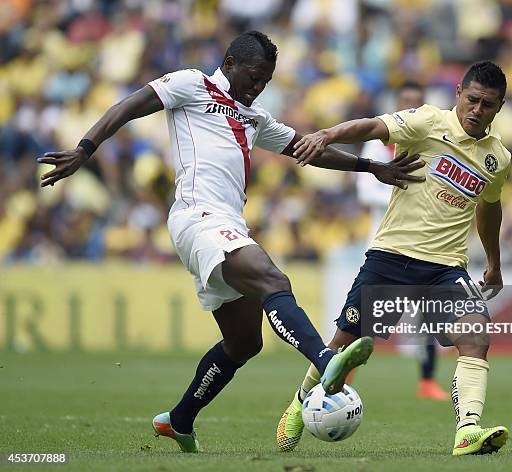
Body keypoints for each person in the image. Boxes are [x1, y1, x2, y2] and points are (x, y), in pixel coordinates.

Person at [37, 31, 425, 453]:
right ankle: (326, 362)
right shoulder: (191, 84)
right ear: (231, 62)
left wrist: (370, 166)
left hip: (228, 225)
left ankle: (180, 420)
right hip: (196, 218)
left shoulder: (254, 117)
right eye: (254, 76)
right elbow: (129, 106)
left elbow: (304, 148)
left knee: (245, 342)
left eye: (266, 81)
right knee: (272, 280)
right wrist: (84, 149)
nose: (258, 87)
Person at [277, 61, 511, 456]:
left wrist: (494, 261)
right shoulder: (427, 122)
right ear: (459, 92)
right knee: (342, 344)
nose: (477, 110)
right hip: (390, 257)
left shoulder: (498, 158)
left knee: (475, 337)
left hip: (445, 268)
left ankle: (467, 429)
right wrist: (327, 134)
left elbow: (489, 206)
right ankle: (298, 406)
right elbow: (372, 126)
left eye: (488, 105)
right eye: (472, 100)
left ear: (499, 107)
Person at [355, 80, 450, 401]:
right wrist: (404, 188)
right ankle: (344, 374)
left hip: (422, 244)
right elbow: (366, 191)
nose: (410, 106)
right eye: (405, 100)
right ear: (396, 103)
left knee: (429, 317)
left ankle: (426, 380)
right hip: (386, 245)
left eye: (416, 102)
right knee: (367, 320)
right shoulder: (376, 144)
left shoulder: (430, 140)